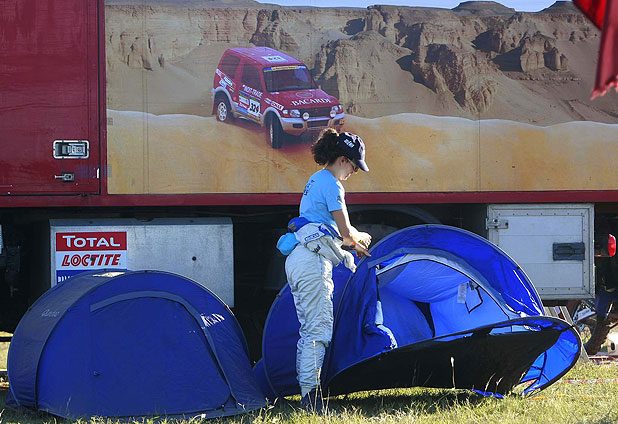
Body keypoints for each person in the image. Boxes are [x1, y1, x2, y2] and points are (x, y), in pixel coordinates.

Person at [283, 128, 372, 413]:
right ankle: (311, 400)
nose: (354, 172)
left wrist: (353, 239)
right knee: (318, 330)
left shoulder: (315, 179)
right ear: (343, 160)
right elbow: (345, 233)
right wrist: (360, 239)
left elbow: (333, 228)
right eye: (354, 166)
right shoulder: (333, 185)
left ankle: (307, 393)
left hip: (298, 257)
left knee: (309, 328)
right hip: (312, 262)